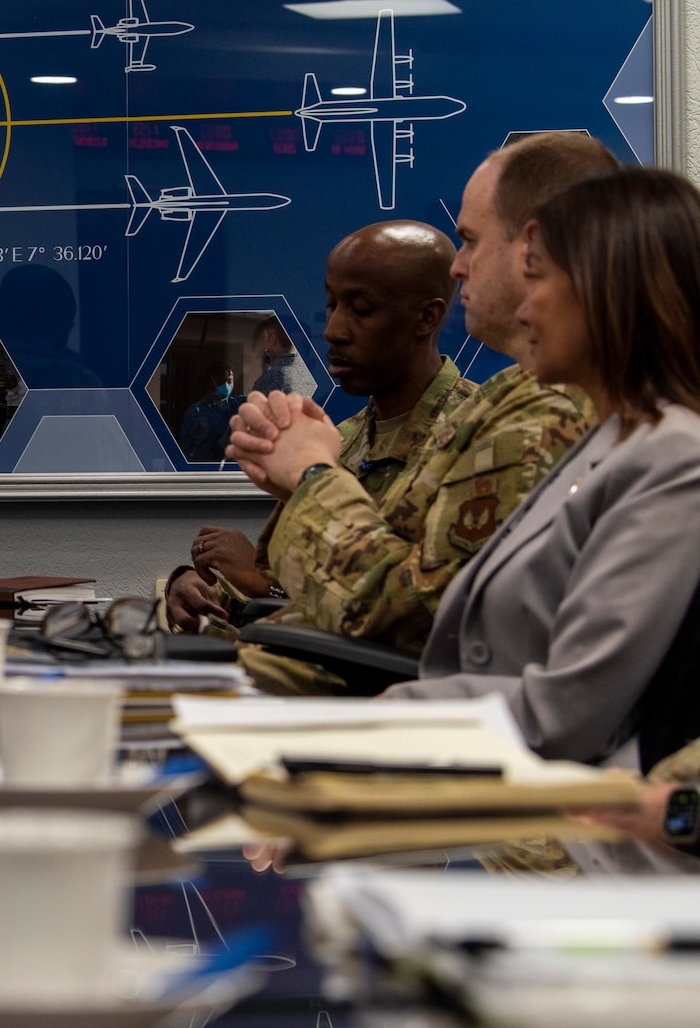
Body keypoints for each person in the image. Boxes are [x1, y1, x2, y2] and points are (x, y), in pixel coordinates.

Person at [228, 133, 615, 670]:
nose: (459, 267)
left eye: (472, 241)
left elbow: (413, 620)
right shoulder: (514, 394)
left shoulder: (550, 412)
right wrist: (291, 477)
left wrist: (314, 475)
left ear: (536, 249)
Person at [365, 169, 700, 762]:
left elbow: (567, 714)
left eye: (538, 274)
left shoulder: (673, 456)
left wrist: (386, 718)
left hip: (575, 818)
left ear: (609, 292)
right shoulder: (612, 438)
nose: (525, 305)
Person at [166, 221, 475, 645]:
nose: (333, 330)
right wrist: (201, 591)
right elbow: (285, 591)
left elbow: (429, 623)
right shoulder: (338, 440)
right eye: (332, 306)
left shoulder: (476, 433)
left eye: (361, 310)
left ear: (427, 318)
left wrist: (261, 586)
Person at [249, 316, 314, 396]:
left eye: (263, 337)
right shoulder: (310, 377)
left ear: (272, 339)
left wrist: (267, 376)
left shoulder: (267, 381)